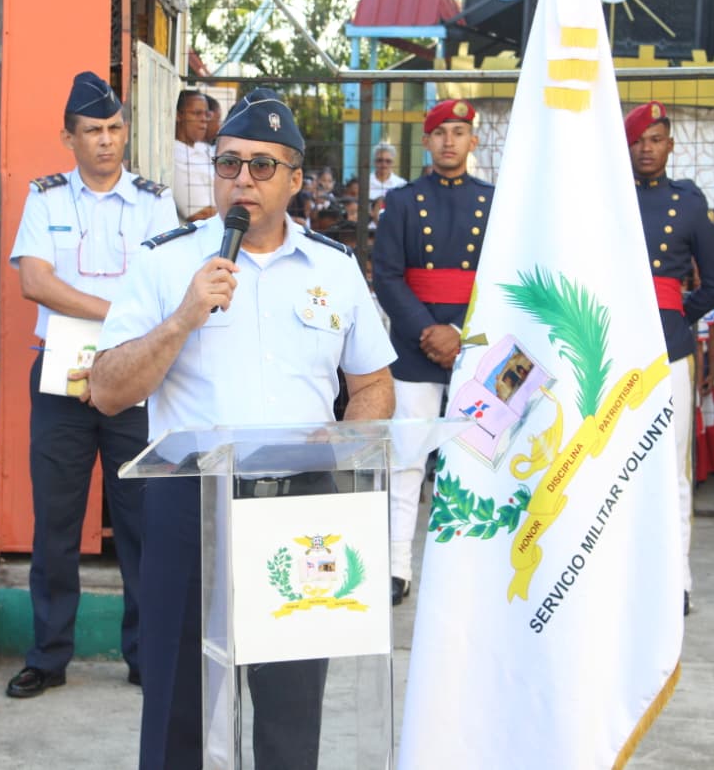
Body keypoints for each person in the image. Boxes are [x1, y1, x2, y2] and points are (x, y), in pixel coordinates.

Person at [89, 88, 395, 770]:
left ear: (294, 179)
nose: (243, 180)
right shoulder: (169, 263)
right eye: (230, 164)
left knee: (290, 704)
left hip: (300, 505)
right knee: (178, 701)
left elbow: (374, 383)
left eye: (262, 167)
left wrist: (345, 437)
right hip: (189, 503)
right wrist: (182, 319)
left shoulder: (335, 269)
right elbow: (107, 389)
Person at [5, 70, 179, 698]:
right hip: (62, 376)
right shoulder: (47, 197)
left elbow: (166, 284)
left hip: (133, 375)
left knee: (140, 520)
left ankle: (145, 654)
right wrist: (117, 313)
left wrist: (123, 321)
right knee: (57, 521)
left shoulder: (156, 202)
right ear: (68, 138)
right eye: (93, 131)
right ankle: (48, 657)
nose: (107, 141)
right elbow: (35, 281)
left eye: (114, 128)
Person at [372, 98, 493, 606]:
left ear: (473, 141)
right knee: (406, 459)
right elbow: (388, 276)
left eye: (459, 131)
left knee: (479, 459)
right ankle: (396, 566)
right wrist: (429, 331)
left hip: (480, 346)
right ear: (425, 141)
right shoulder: (401, 202)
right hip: (416, 345)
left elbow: (503, 279)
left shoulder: (496, 201)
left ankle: (472, 565)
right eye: (440, 131)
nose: (449, 140)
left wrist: (461, 334)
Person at [624, 100, 714, 616]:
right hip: (608, 343)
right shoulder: (602, 196)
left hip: (668, 349)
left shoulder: (688, 204)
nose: (647, 148)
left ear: (671, 145)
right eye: (639, 139)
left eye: (656, 138)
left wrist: (672, 312)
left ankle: (676, 576)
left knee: (671, 468)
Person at [172, 89, 216, 222]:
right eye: (197, 113)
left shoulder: (203, 148)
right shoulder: (176, 155)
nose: (203, 120)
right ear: (178, 116)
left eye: (206, 114)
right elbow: (200, 214)